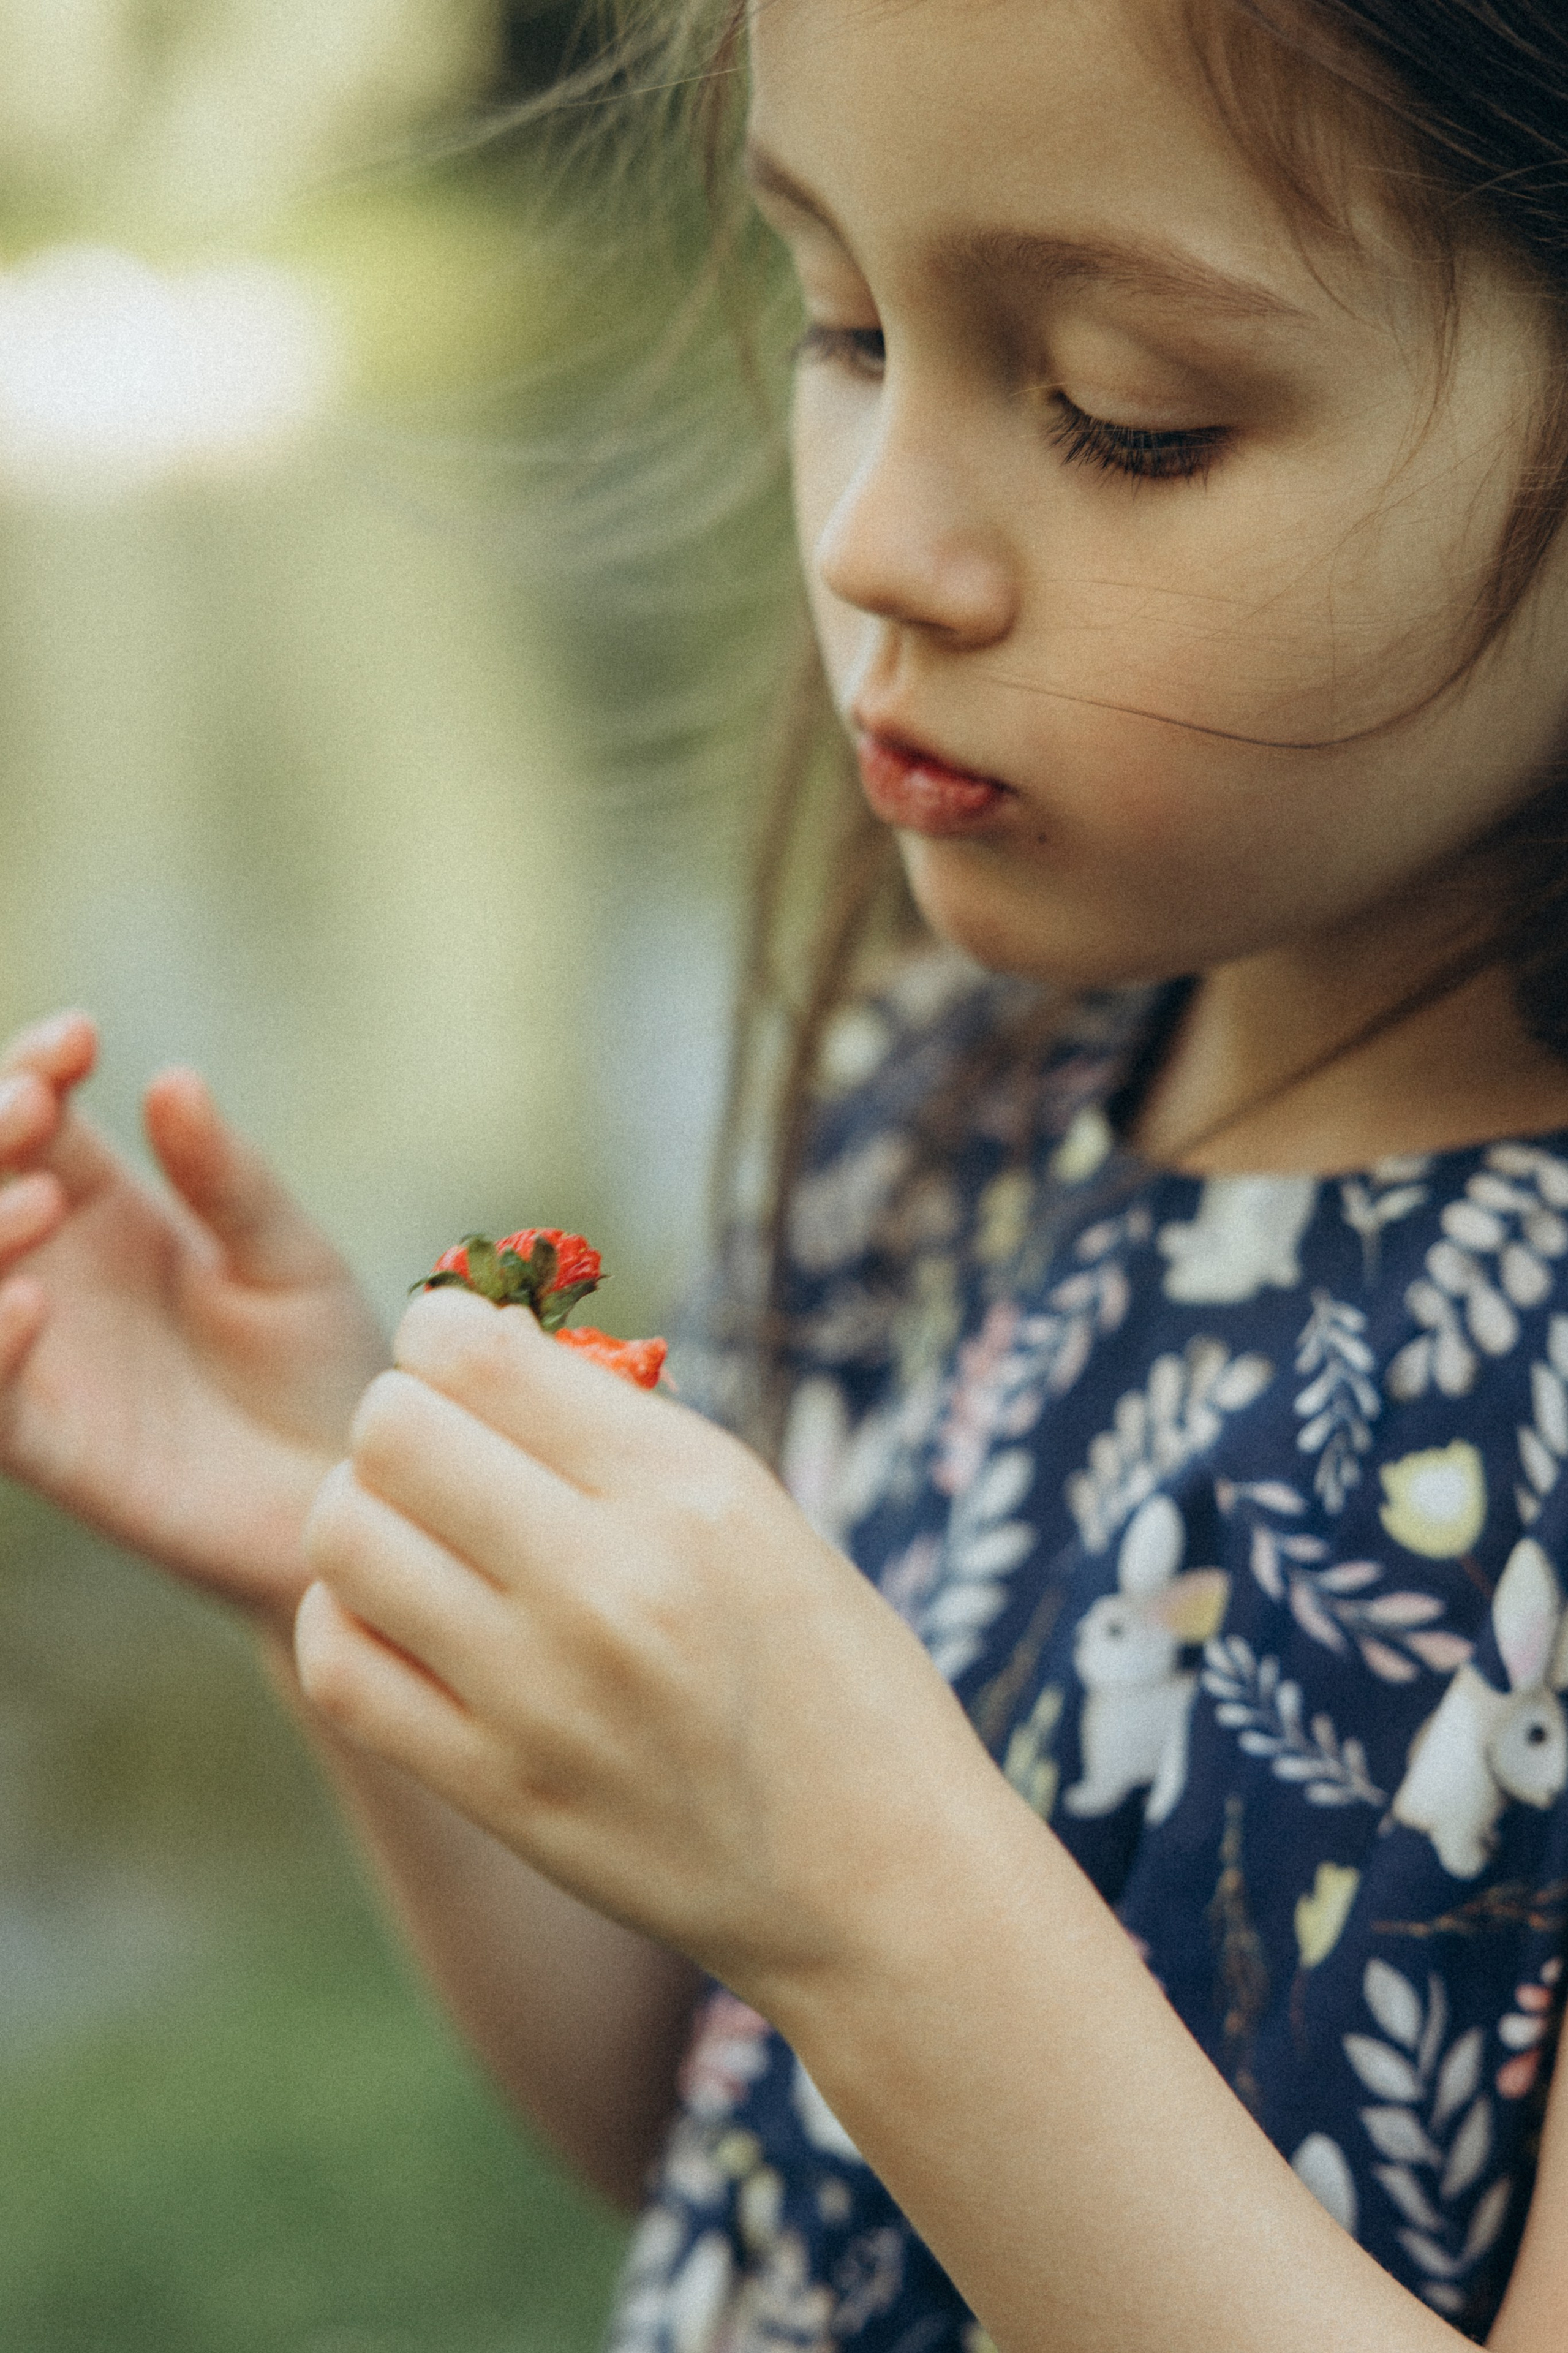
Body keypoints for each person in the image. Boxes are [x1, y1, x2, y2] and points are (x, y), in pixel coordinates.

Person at [3, 0, 1568, 2343]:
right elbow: (737, 2132)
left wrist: (874, 1883)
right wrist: (357, 1545)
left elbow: (861, 1943)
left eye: (1128, 411)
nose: (872, 539)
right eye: (840, 323)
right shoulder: (958, 1105)